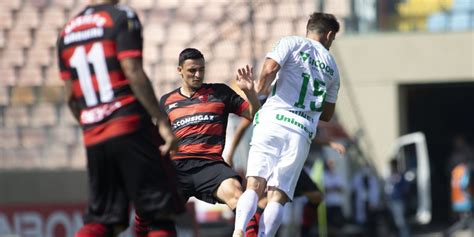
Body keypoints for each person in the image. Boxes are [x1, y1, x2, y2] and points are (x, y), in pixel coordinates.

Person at [56, 1, 185, 236]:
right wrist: (162, 122)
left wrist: (92, 125)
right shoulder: (120, 17)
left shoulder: (67, 31)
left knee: (104, 221)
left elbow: (70, 97)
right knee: (159, 216)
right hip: (130, 125)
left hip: (94, 135)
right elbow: (132, 70)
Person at [233, 12, 341, 237]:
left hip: (272, 121)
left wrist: (261, 90)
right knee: (277, 197)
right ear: (329, 35)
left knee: (254, 185)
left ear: (309, 28)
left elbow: (270, 68)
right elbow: (328, 114)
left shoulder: (290, 42)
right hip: (300, 132)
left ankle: (239, 230)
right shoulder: (333, 68)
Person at [135, 48, 261, 235]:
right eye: (192, 70)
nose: (198, 74)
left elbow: (256, 115)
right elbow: (158, 136)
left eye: (202, 69)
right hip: (177, 166)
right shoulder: (167, 101)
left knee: (240, 198)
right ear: (180, 70)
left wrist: (250, 93)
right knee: (152, 211)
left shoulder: (220, 93)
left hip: (210, 165)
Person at [225, 117, 346, 236]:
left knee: (315, 196)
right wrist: (230, 153)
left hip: (289, 161)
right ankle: (250, 232)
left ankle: (302, 231)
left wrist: (328, 143)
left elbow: (304, 131)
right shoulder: (265, 104)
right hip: (273, 157)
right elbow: (241, 127)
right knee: (266, 199)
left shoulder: (292, 106)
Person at [352, 164, 381, 237]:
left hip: (371, 205)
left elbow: (375, 193)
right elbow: (354, 188)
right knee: (364, 226)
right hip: (362, 204)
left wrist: (374, 203)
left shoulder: (372, 179)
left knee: (372, 226)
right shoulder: (358, 178)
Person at [385, 159, 410, 237]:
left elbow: (405, 189)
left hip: (398, 201)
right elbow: (387, 189)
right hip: (391, 202)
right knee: (395, 222)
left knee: (401, 222)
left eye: (392, 166)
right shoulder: (389, 177)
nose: (391, 168)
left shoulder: (400, 176)